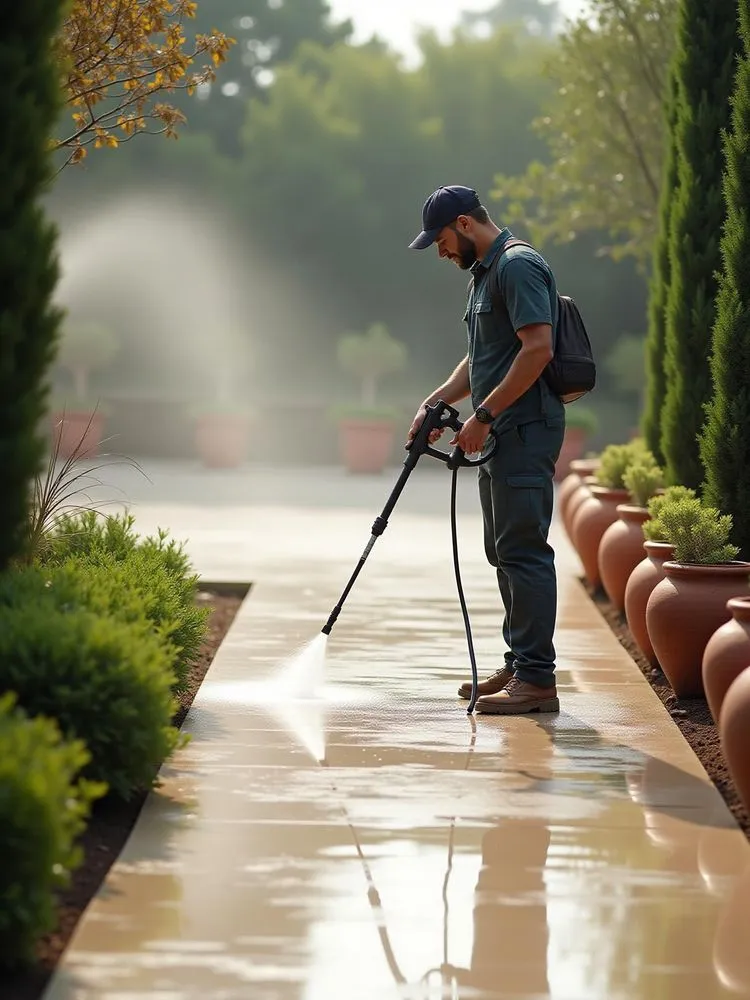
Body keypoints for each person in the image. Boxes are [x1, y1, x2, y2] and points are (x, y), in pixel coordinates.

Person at [407, 185, 564, 715]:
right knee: (503, 552)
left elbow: (538, 349)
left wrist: (484, 415)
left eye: (442, 240)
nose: (441, 252)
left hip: (523, 431)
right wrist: (434, 403)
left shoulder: (517, 266)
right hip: (501, 433)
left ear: (466, 225)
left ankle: (538, 681)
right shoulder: (483, 276)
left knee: (524, 551)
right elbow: (481, 360)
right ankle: (521, 664)